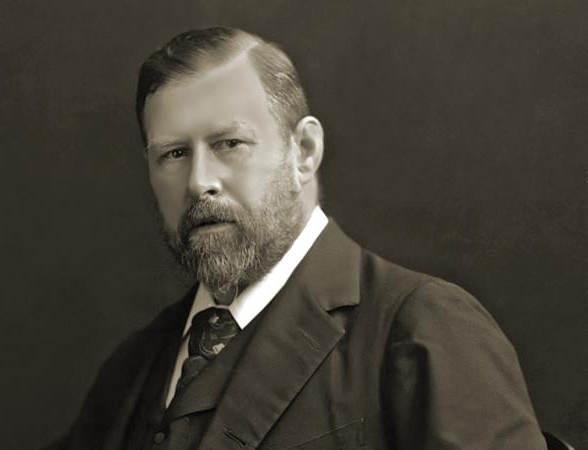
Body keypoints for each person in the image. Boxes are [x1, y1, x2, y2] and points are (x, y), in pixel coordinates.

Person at [52, 27, 546, 450]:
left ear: (304, 151)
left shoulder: (422, 329)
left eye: (229, 144)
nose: (200, 180)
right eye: (174, 154)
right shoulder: (131, 370)